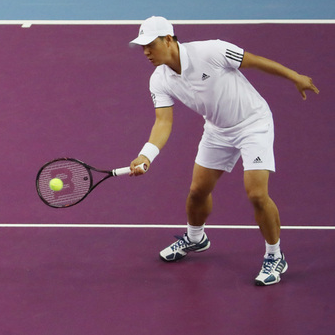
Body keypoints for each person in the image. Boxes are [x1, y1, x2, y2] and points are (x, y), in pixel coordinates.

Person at [128, 16, 318, 286]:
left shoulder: (211, 50)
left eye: (150, 44)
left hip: (253, 123)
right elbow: (163, 121)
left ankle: (275, 255)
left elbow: (255, 61)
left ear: (168, 40)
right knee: (197, 192)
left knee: (256, 194)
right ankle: (196, 239)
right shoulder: (159, 80)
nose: (145, 51)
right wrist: (147, 155)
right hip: (217, 130)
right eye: (142, 46)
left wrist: (295, 77)